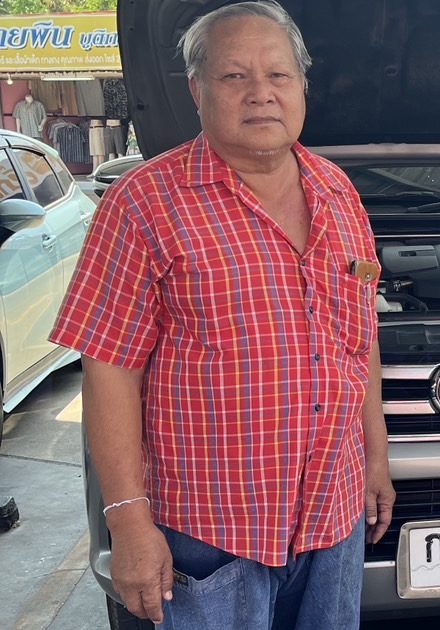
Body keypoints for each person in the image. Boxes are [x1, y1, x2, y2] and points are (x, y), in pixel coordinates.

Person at [49, 2, 393, 628]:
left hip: (332, 514)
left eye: (278, 74)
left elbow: (358, 339)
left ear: (302, 85)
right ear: (196, 90)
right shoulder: (142, 205)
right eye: (235, 75)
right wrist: (128, 522)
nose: (261, 93)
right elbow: (109, 368)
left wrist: (375, 459)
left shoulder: (338, 192)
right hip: (210, 535)